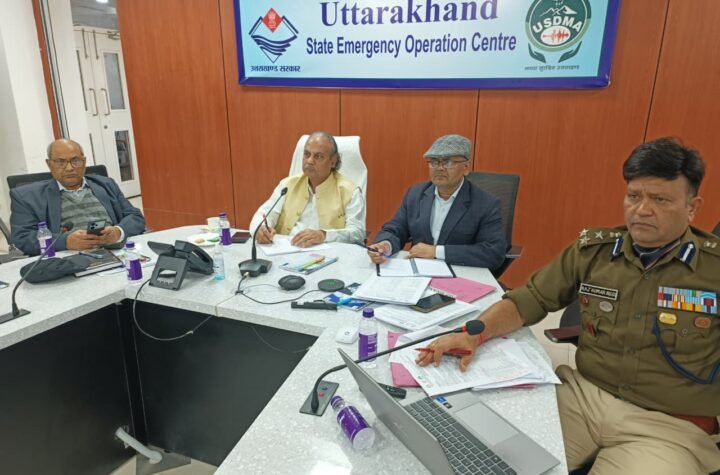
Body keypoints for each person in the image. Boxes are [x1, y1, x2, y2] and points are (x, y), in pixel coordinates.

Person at [417, 137, 720, 474]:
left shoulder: (713, 269)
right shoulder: (594, 251)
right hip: (584, 397)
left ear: (692, 207)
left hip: (668, 426)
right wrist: (474, 334)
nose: (642, 210)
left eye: (660, 199)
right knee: (488, 459)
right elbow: (530, 298)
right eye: (634, 196)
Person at [368, 134, 506, 269]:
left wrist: (436, 252)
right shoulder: (416, 194)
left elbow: (493, 253)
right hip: (418, 271)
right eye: (434, 162)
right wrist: (385, 245)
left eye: (448, 162)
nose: (440, 168)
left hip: (459, 273)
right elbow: (396, 228)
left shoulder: (486, 204)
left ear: (466, 167)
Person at [10, 138, 145, 255]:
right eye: (60, 162)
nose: (69, 168)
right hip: (68, 259)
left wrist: (118, 232)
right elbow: (22, 237)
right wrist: (65, 241)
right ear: (49, 164)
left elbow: (135, 217)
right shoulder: (26, 197)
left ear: (84, 162)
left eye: (75, 161)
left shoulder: (106, 184)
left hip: (115, 253)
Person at [249, 132, 366, 246]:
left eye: (318, 156)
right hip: (286, 250)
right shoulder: (288, 185)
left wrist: (324, 235)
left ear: (333, 161)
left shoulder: (350, 192)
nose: (309, 161)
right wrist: (260, 229)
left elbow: (357, 233)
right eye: (306, 154)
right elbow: (264, 215)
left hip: (329, 254)